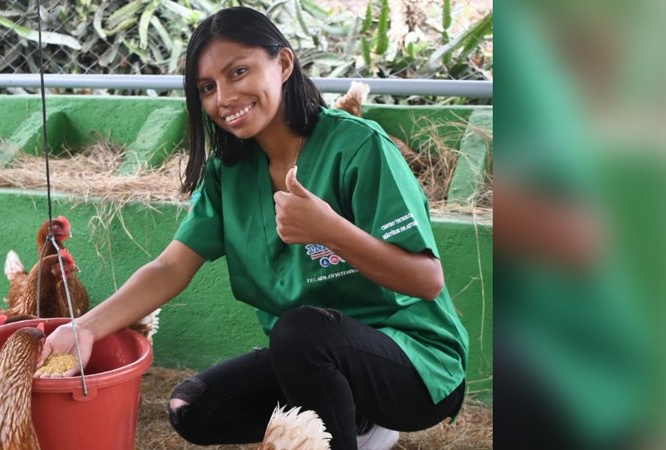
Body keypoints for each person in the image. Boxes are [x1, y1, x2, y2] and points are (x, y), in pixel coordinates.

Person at [40, 7, 468, 450]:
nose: (223, 97)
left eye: (238, 71)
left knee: (300, 332)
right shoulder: (230, 171)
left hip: (414, 362)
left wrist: (331, 230)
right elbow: (170, 266)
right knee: (195, 409)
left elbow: (426, 280)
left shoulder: (359, 147)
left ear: (282, 64)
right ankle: (356, 419)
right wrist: (86, 328)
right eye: (207, 88)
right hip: (313, 354)